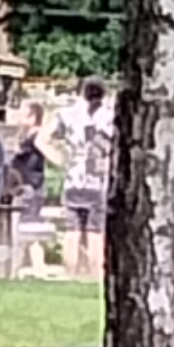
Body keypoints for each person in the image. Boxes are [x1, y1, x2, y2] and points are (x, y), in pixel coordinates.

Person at [63, 83, 113, 264]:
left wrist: (62, 160)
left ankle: (70, 272)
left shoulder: (69, 114)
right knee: (95, 232)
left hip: (73, 179)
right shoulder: (109, 117)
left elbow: (43, 138)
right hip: (96, 181)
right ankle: (95, 272)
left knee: (71, 231)